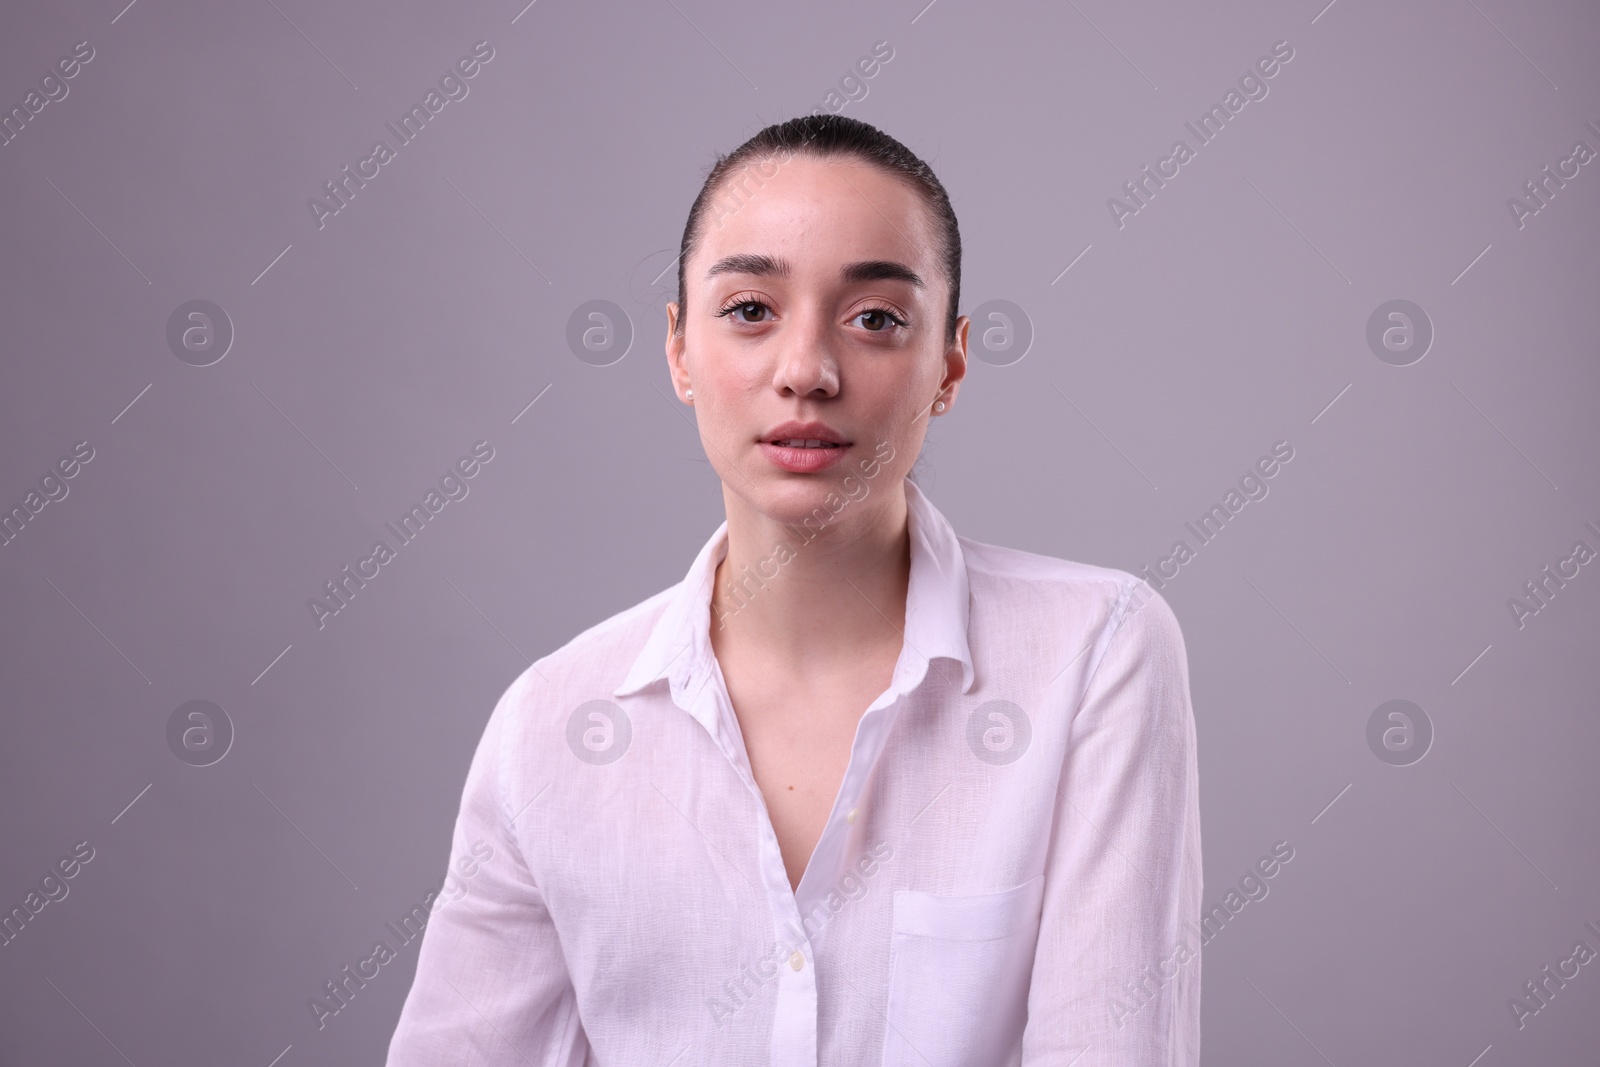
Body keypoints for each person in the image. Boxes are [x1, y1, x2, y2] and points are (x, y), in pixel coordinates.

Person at [386, 114, 1201, 1066]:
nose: (806, 372)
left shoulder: (1094, 655)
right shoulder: (553, 727)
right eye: (749, 310)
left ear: (949, 363)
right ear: (680, 351)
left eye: (876, 320)